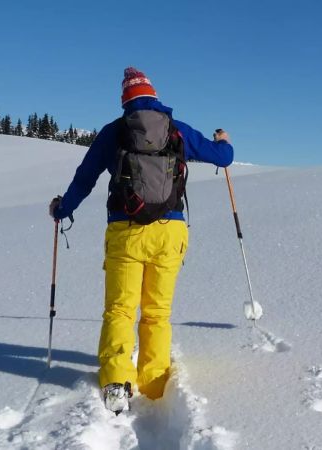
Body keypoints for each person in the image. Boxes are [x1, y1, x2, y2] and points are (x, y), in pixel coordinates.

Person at [49, 67, 233, 413]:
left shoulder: (114, 133)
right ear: (154, 96)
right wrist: (223, 140)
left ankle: (117, 383)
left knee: (120, 309)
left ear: (125, 101)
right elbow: (223, 158)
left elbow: (84, 179)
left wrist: (63, 209)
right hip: (169, 232)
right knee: (157, 313)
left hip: (126, 232)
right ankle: (154, 381)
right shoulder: (176, 129)